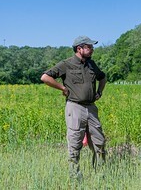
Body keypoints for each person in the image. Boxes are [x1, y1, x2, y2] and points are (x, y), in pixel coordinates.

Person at [41, 35, 107, 180]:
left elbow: (103, 77)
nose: (92, 50)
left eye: (92, 47)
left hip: (91, 108)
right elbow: (45, 77)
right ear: (79, 48)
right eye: (89, 47)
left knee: (99, 142)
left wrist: (99, 92)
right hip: (75, 108)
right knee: (75, 142)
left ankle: (100, 175)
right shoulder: (67, 64)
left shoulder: (91, 64)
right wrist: (62, 88)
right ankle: (75, 176)